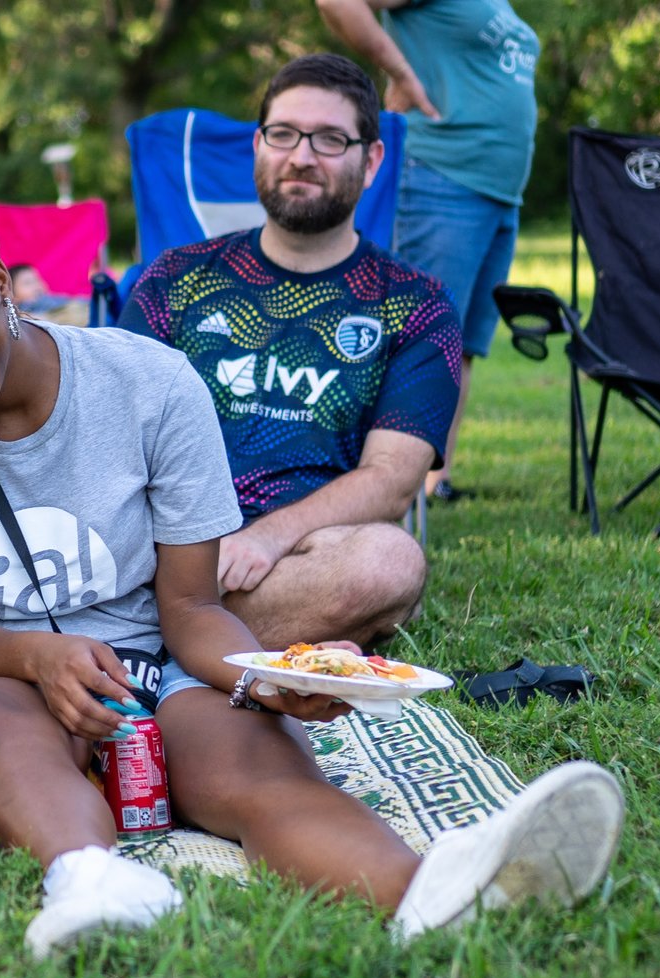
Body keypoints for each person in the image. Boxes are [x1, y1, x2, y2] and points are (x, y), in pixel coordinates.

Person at [0, 152, 623, 957]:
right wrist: (40, 657)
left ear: (0, 279)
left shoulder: (151, 383)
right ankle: (92, 881)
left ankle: (435, 894)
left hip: (153, 663)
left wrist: (269, 677)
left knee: (255, 771)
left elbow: (191, 609)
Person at [118, 53, 459, 651]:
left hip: (299, 551)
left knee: (390, 562)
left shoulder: (415, 304)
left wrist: (268, 538)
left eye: (330, 139)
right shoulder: (175, 278)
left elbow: (393, 480)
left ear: (371, 159)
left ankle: (142, 636)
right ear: (258, 145)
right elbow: (111, 436)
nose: (301, 156)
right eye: (284, 134)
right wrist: (187, 548)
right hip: (162, 544)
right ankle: (205, 636)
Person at [316, 0, 540, 502]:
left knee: (458, 344)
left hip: (497, 192)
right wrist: (402, 74)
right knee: (419, 335)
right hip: (443, 177)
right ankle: (384, 477)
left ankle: (433, 479)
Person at [8, 263, 87, 326]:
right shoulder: (19, 315)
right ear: (12, 295)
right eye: (27, 283)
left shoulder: (52, 299)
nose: (36, 285)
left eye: (38, 280)